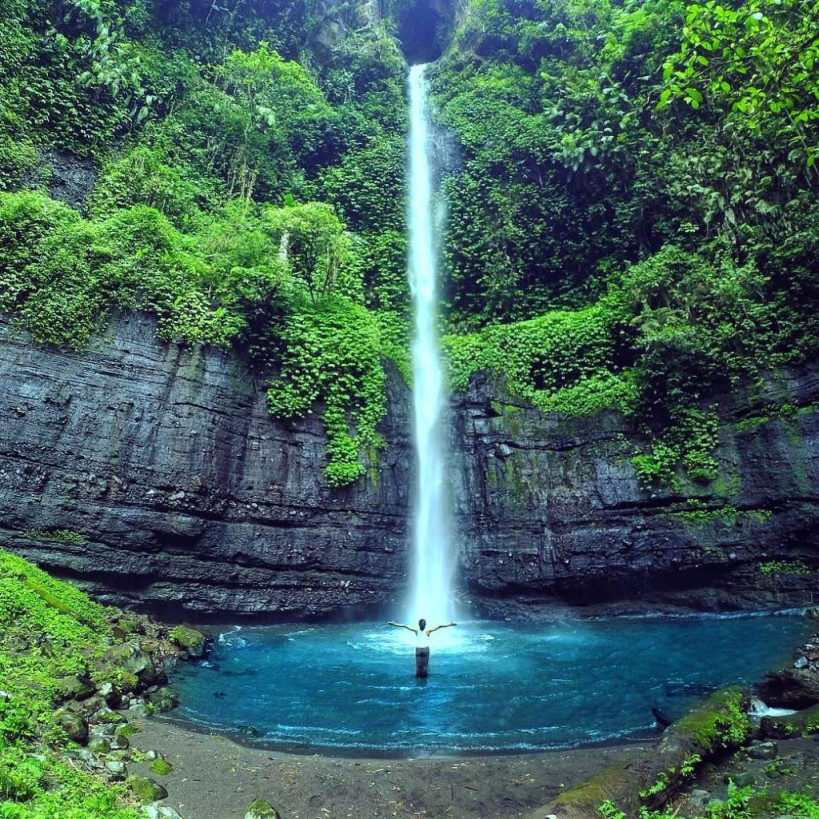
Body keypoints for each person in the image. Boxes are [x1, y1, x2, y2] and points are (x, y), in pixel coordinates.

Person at [387, 618, 457, 678]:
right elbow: (439, 626)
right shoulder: (428, 631)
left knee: (418, 666)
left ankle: (418, 678)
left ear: (418, 624)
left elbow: (405, 626)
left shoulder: (416, 630)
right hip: (426, 649)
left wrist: (394, 624)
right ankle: (424, 679)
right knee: (425, 666)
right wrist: (449, 624)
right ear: (425, 624)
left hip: (418, 650)